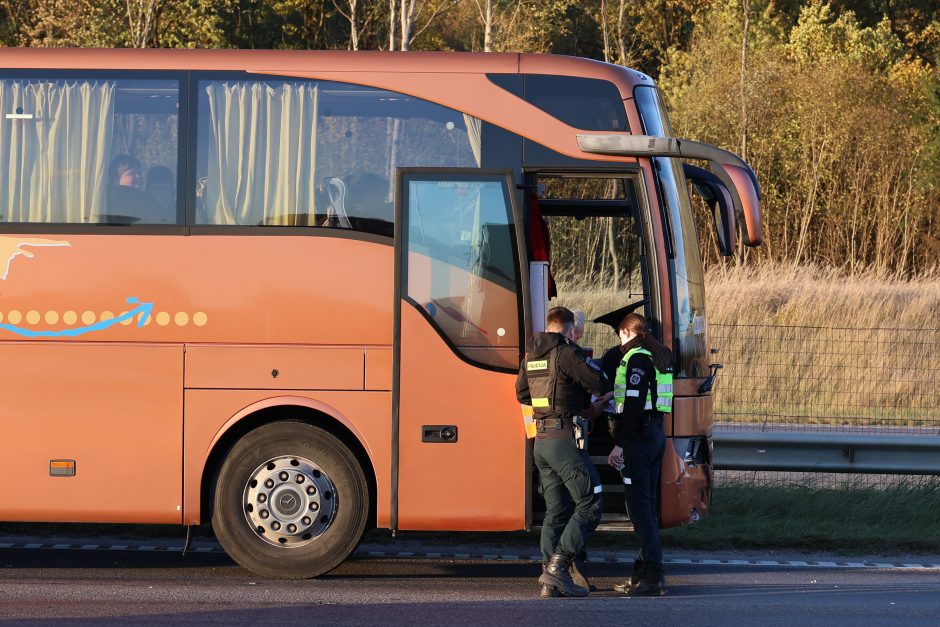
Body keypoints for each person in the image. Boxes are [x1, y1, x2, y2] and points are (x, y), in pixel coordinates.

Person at [516, 306, 613, 598]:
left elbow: (522, 393)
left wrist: (550, 401)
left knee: (556, 511)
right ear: (570, 330)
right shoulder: (568, 353)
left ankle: (548, 577)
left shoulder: (532, 355)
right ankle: (558, 569)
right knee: (590, 501)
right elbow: (600, 383)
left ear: (549, 326)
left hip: (541, 441)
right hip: (564, 440)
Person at [596, 309, 673, 596]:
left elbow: (634, 405)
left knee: (640, 513)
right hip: (654, 435)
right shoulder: (658, 354)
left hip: (639, 440)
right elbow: (646, 397)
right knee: (647, 508)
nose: (619, 340)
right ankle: (644, 571)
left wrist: (620, 444)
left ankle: (653, 576)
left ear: (626, 332)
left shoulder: (637, 357)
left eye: (619, 334)